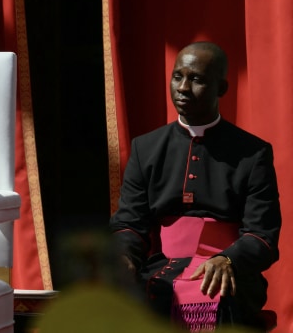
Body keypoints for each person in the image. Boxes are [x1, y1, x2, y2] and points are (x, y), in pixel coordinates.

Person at [110, 41, 281, 331]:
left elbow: (262, 235)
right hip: (162, 265)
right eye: (178, 77)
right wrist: (124, 256)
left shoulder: (253, 153)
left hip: (229, 269)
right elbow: (129, 223)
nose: (183, 88)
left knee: (219, 293)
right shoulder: (146, 148)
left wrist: (228, 259)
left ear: (222, 89)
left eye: (197, 79)